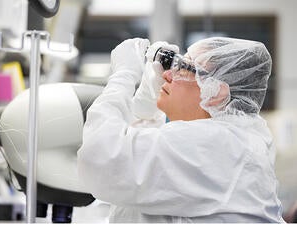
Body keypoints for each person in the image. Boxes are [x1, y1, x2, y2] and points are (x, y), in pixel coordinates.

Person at [77, 37, 285, 223]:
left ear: (216, 92)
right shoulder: (234, 138)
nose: (167, 74)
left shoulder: (217, 145)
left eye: (184, 67)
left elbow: (102, 156)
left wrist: (123, 76)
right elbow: (148, 146)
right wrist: (147, 103)